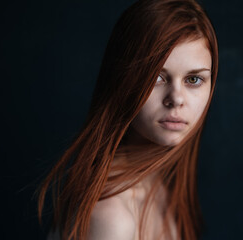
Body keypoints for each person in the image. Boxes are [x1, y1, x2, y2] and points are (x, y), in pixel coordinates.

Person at [38, 0, 218, 239]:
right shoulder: (111, 217)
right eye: (156, 77)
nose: (176, 99)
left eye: (193, 79)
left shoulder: (156, 186)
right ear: (123, 81)